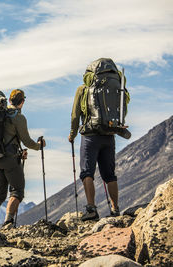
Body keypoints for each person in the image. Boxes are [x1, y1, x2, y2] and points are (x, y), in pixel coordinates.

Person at [68, 59, 121, 221]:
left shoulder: (82, 89)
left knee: (86, 172)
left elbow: (75, 115)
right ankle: (115, 209)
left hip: (90, 136)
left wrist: (72, 134)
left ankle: (91, 209)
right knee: (109, 175)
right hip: (109, 134)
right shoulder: (115, 88)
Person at [0, 89, 45, 227]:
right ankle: (8, 223)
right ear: (23, 101)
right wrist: (39, 146)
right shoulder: (18, 117)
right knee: (17, 191)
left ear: (9, 100)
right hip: (10, 160)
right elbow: (26, 141)